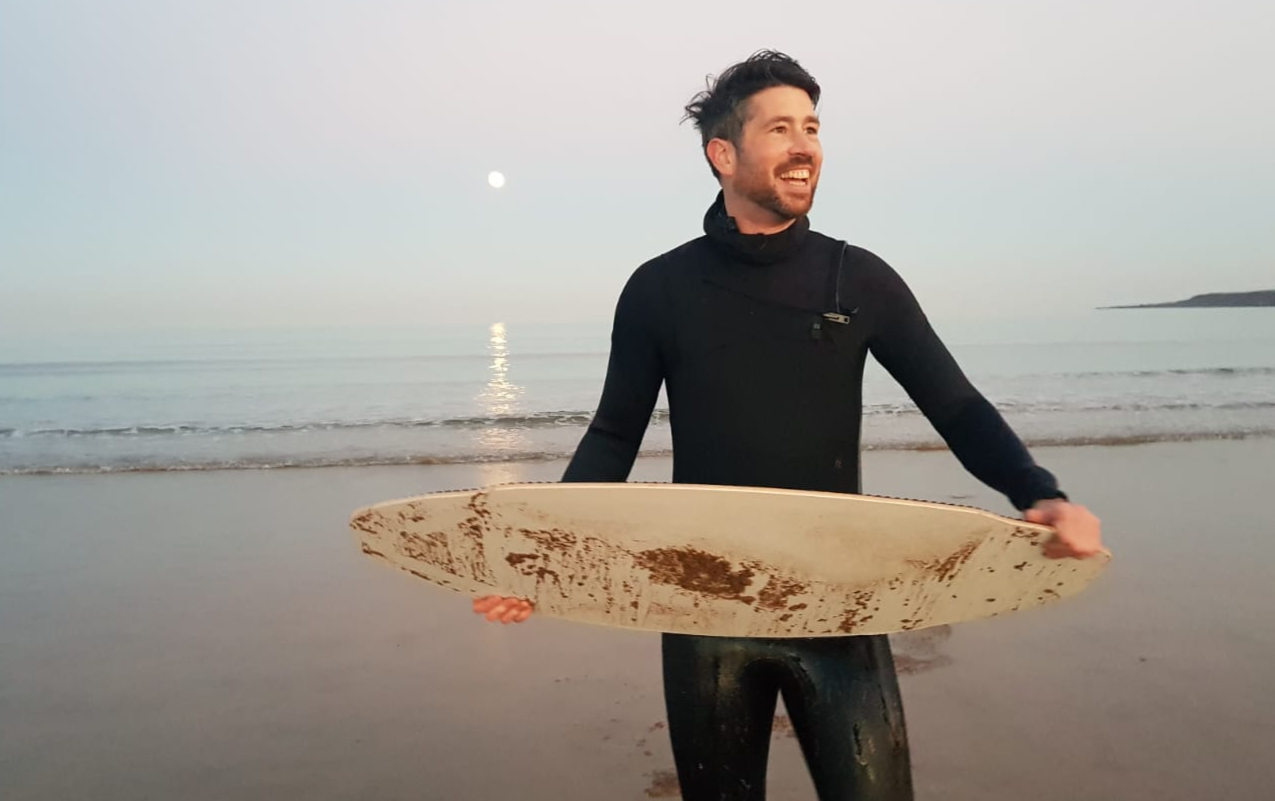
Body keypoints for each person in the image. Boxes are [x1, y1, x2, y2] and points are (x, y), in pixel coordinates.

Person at [472, 50, 1103, 800]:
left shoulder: (859, 279)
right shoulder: (660, 289)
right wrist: (540, 552)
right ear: (723, 154)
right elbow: (613, 436)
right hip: (705, 604)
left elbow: (956, 405)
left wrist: (1039, 491)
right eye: (780, 129)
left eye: (812, 127)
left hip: (839, 600)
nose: (805, 146)